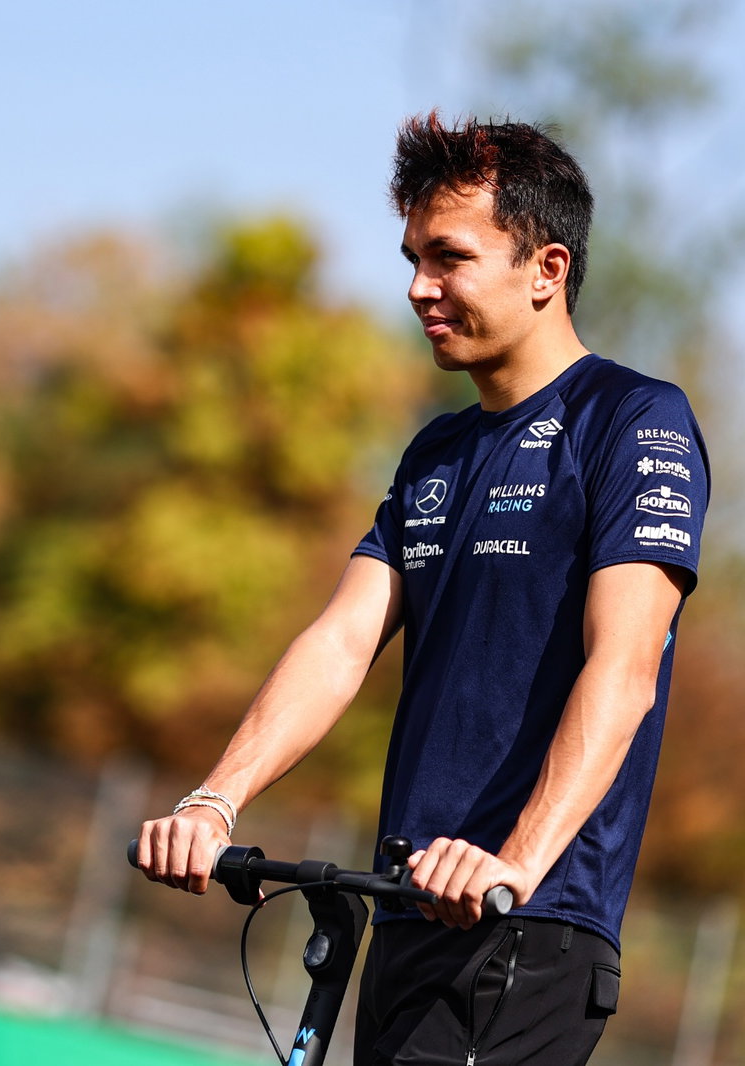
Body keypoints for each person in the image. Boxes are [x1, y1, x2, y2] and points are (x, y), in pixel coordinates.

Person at [136, 114, 708, 1064]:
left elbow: (626, 667)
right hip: (404, 910)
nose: (418, 288)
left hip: (526, 927)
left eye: (449, 258)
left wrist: (515, 863)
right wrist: (214, 800)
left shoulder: (633, 420)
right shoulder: (435, 452)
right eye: (411, 257)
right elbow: (341, 642)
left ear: (546, 268)